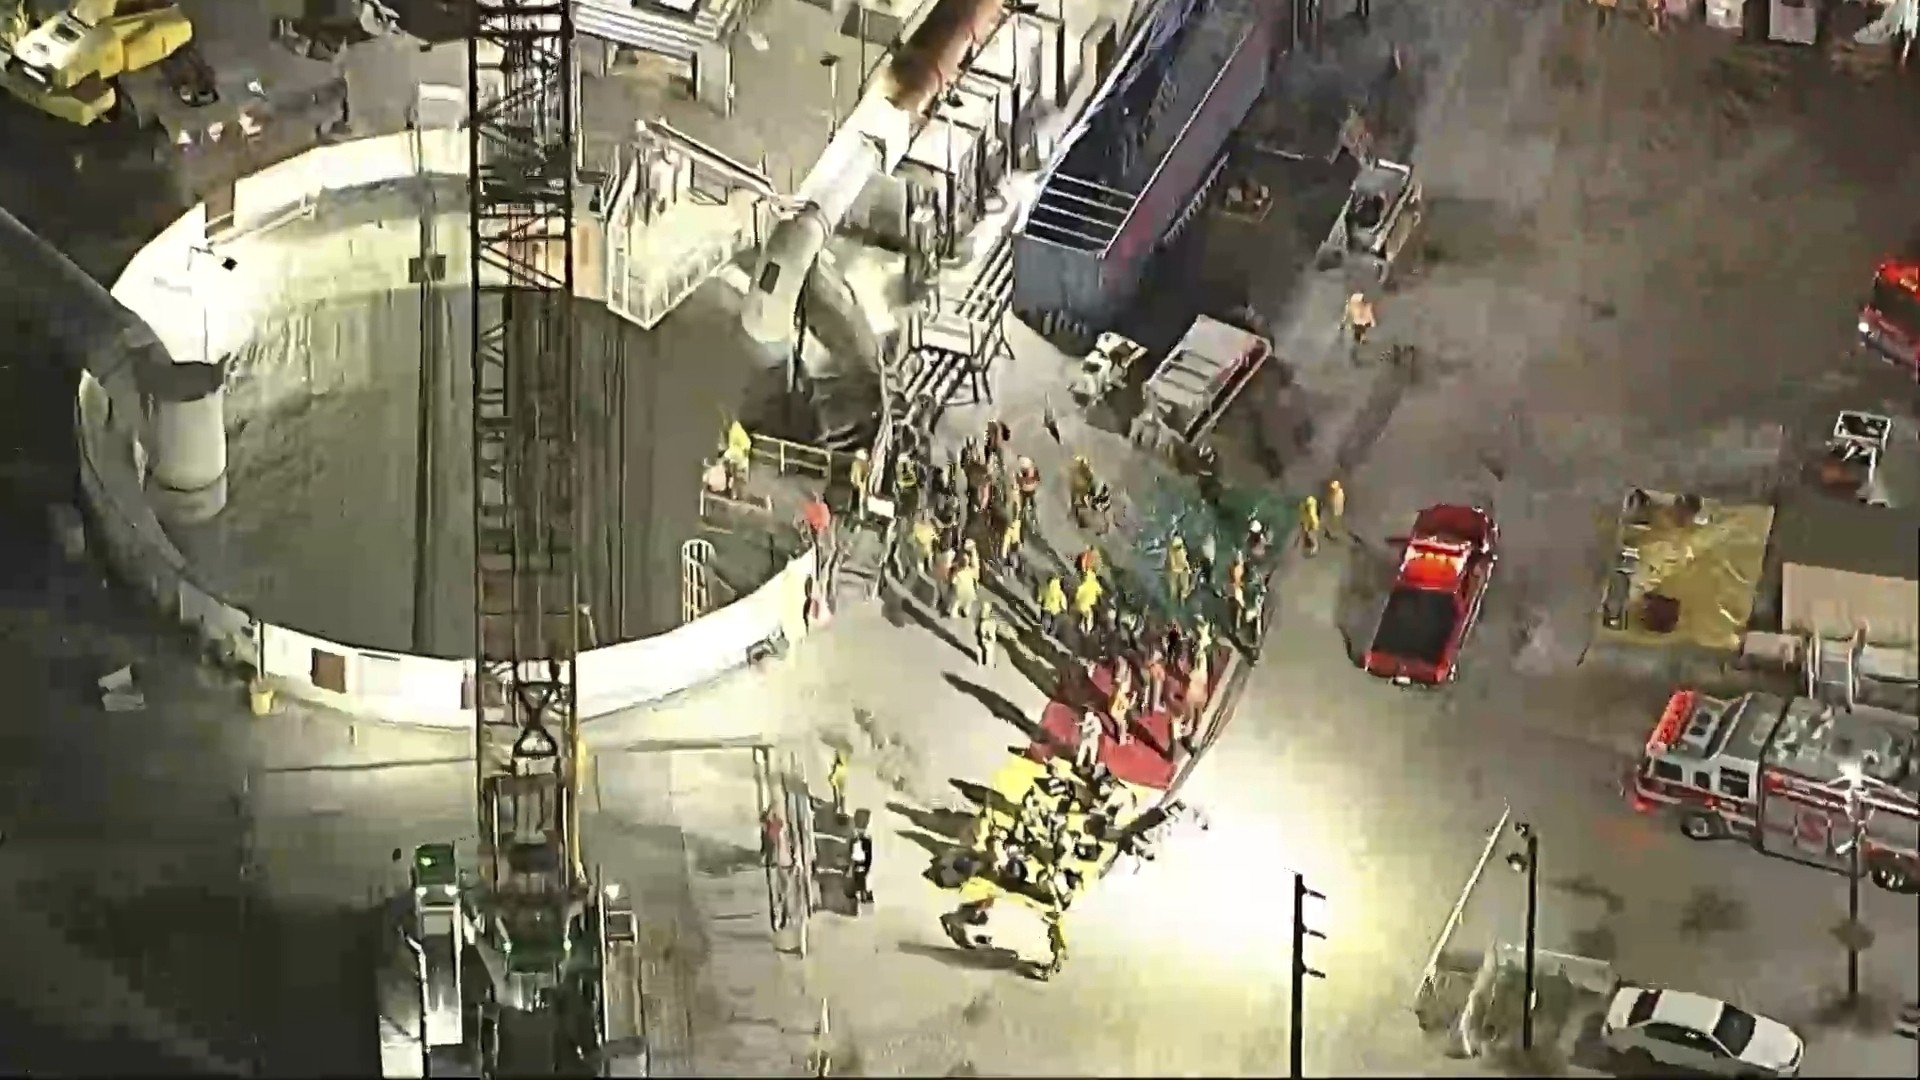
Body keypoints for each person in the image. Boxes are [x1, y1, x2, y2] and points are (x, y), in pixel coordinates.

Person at [847, 823, 875, 906]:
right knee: (858, 878)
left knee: (862, 878)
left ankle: (863, 895)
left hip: (862, 861)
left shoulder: (865, 840)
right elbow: (851, 851)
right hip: (857, 861)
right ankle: (862, 895)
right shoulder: (855, 840)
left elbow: (868, 854)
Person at [1344, 291, 1376, 363]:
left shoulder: (1366, 306)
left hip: (1362, 324)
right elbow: (1349, 316)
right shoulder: (1355, 307)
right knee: (1357, 338)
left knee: (1358, 338)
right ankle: (1355, 353)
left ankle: (1356, 352)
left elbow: (1370, 315)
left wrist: (1372, 322)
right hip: (1359, 324)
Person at [950, 551, 980, 620]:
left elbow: (953, 581)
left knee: (956, 601)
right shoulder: (971, 571)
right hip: (970, 593)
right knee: (968, 602)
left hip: (959, 592)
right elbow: (976, 578)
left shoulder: (957, 572)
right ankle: (966, 611)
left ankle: (953, 613)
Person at [1072, 571, 1102, 636]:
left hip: (1080, 605)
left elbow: (1077, 596)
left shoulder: (1082, 585)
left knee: (1083, 615)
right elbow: (1100, 592)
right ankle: (1088, 631)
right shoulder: (1095, 584)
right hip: (1089, 605)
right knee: (1090, 616)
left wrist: (1077, 602)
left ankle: (1079, 626)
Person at [724, 420, 753, 487]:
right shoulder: (731, 430)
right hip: (734, 453)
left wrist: (745, 455)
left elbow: (747, 444)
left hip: (739, 454)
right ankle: (728, 485)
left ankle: (733, 487)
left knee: (735, 470)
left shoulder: (736, 429)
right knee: (727, 465)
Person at [1167, 535, 1193, 601]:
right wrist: (1182, 568)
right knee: (1173, 591)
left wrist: (1188, 569)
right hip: (1174, 572)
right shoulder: (1171, 553)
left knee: (1185, 589)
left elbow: (1185, 561)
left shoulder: (1182, 550)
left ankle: (1183, 599)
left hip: (1183, 570)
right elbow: (1173, 567)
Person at [976, 604, 1002, 668]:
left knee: (984, 650)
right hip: (989, 639)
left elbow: (981, 630)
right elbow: (994, 628)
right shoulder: (992, 620)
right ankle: (990, 664)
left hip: (985, 638)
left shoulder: (984, 621)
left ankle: (983, 663)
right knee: (990, 652)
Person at [828, 750, 850, 818]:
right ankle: (841, 809)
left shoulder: (838, 752)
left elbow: (834, 764)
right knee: (842, 793)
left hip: (838, 772)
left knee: (837, 792)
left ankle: (837, 807)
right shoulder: (846, 751)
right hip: (843, 772)